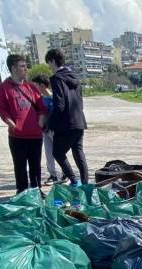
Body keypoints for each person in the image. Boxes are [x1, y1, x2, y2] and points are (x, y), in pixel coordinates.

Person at [0, 54, 48, 193]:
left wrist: (40, 122)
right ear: (13, 68)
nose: (26, 69)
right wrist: (10, 123)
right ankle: (22, 192)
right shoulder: (4, 88)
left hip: (35, 136)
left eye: (26, 66)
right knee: (20, 166)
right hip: (17, 136)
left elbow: (42, 107)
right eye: (22, 66)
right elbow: (1, 109)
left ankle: (37, 190)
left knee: (35, 166)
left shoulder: (31, 87)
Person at [45, 48, 88, 186]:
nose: (49, 67)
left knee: (57, 153)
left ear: (52, 61)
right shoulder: (75, 77)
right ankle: (85, 184)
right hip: (79, 121)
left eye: (49, 63)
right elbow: (80, 101)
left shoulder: (56, 78)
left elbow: (60, 104)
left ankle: (74, 181)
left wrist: (50, 124)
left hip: (65, 124)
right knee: (78, 152)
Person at [31, 74, 65, 185]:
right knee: (48, 153)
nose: (34, 87)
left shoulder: (54, 97)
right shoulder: (39, 99)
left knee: (59, 152)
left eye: (35, 85)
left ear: (42, 85)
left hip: (55, 130)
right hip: (45, 131)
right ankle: (53, 175)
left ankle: (65, 173)